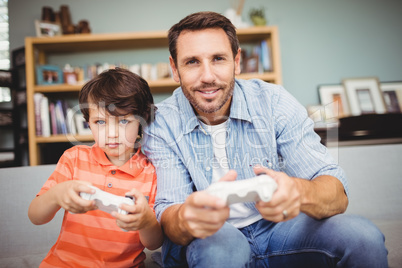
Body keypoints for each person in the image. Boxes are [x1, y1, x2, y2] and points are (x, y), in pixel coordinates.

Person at [142, 11, 388, 267]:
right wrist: (185, 216)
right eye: (192, 62)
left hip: (279, 230)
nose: (207, 76)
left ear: (236, 61)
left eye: (218, 59)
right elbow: (169, 214)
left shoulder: (274, 102)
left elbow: (336, 193)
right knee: (220, 252)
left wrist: (299, 191)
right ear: (174, 68)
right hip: (212, 237)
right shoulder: (160, 122)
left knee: (363, 238)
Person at [28, 68, 163, 267]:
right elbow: (36, 217)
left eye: (124, 121)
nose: (111, 133)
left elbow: (153, 243)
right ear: (88, 124)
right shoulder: (74, 158)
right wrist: (57, 194)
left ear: (142, 121)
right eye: (100, 122)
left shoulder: (151, 172)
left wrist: (146, 221)